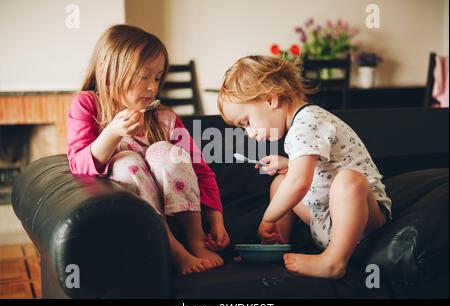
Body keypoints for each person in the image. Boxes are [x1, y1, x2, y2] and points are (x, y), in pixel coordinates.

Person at [67, 24, 230, 275]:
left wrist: (217, 222)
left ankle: (195, 241)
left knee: (167, 151)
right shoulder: (87, 105)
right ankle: (173, 251)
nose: (153, 87)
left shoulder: (164, 118)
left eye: (157, 77)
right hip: (137, 223)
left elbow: (201, 170)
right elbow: (78, 165)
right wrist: (112, 132)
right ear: (107, 71)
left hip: (177, 217)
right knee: (125, 160)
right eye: (144, 76)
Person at [217, 55, 391, 279]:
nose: (250, 133)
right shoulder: (299, 127)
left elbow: (300, 182)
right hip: (327, 217)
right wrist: (288, 164)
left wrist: (268, 218)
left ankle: (334, 261)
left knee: (348, 180)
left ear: (271, 100)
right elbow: (321, 169)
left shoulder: (309, 120)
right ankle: (272, 249)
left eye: (247, 122)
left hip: (363, 217)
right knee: (281, 182)